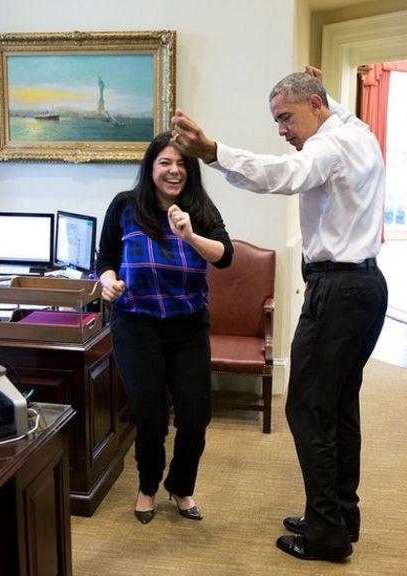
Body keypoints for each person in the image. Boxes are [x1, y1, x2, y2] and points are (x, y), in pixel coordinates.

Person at [171, 67, 388, 562]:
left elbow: (283, 176)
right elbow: (333, 112)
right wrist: (323, 85)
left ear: (315, 106)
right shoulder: (357, 132)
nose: (281, 130)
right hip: (365, 289)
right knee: (337, 408)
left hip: (337, 292)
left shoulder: (328, 148)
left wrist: (213, 152)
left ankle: (327, 535)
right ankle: (336, 515)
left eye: (286, 118)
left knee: (308, 410)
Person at [95, 131, 233, 525]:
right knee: (150, 417)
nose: (174, 171)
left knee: (194, 415)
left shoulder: (199, 208)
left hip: (187, 328)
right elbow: (105, 257)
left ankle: (181, 486)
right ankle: (148, 486)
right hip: (136, 326)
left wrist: (189, 234)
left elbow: (225, 256)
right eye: (165, 163)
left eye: (182, 164)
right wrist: (107, 279)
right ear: (151, 167)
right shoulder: (124, 206)